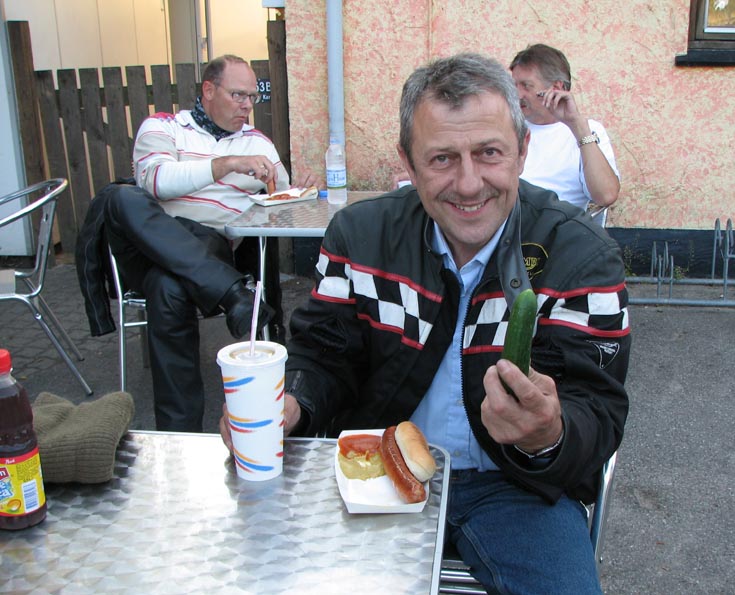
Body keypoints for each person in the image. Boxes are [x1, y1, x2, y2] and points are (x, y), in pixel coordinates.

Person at [221, 53, 630, 594]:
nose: (468, 184)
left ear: (522, 150)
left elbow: (597, 410)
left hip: (518, 489)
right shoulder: (359, 237)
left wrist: (547, 433)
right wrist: (291, 402)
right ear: (408, 164)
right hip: (377, 470)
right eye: (441, 158)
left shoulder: (580, 256)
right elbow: (322, 355)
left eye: (489, 153)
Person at [103, 54, 318, 432]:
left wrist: (298, 188)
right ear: (208, 90)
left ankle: (179, 434)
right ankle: (233, 295)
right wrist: (226, 164)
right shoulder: (163, 127)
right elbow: (155, 182)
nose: (247, 105)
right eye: (238, 95)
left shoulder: (258, 143)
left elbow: (279, 195)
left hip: (210, 245)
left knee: (168, 286)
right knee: (119, 197)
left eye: (252, 97)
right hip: (148, 246)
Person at [510, 43, 620, 214]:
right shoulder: (508, 127)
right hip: (511, 223)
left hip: (559, 225)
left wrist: (577, 126)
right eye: (514, 85)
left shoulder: (588, 129)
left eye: (526, 86)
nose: (517, 95)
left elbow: (606, 196)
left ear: (556, 89)